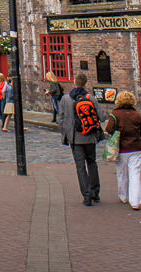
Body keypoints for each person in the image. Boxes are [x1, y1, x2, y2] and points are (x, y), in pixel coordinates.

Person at [59, 73, 104, 206]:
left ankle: (87, 195)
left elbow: (60, 119)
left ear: (74, 82)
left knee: (80, 167)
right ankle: (95, 192)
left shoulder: (66, 99)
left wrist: (66, 133)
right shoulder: (91, 98)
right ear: (86, 84)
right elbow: (102, 116)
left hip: (75, 138)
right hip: (89, 136)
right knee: (92, 163)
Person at [105, 90, 141, 210]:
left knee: (121, 173)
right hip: (135, 147)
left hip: (121, 148)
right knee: (135, 174)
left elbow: (109, 129)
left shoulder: (115, 114)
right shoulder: (136, 114)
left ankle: (123, 196)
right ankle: (135, 201)